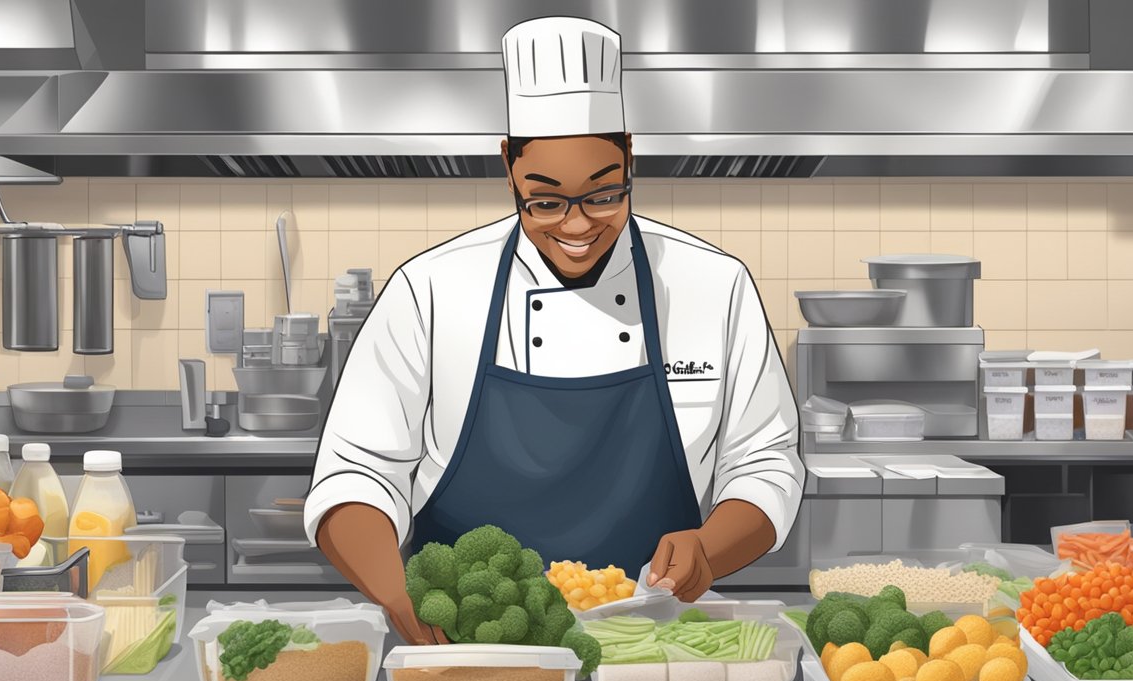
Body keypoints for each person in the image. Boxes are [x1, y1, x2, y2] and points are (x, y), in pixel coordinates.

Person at [305, 16, 804, 645]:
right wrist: (394, 590)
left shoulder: (715, 285)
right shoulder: (429, 290)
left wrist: (711, 546)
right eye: (545, 201)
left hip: (657, 642)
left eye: (603, 195)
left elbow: (765, 465)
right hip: (466, 644)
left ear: (629, 154)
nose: (576, 226)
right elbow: (355, 474)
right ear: (509, 166)